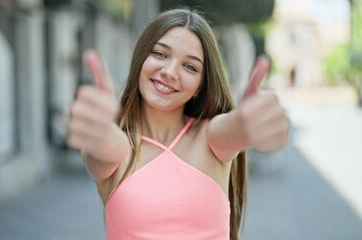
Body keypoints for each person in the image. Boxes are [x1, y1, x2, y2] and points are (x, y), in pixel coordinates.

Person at [67, 8, 289, 240]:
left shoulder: (211, 139)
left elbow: (236, 127)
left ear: (201, 86)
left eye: (190, 67)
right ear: (141, 57)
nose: (170, 72)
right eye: (160, 54)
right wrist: (99, 127)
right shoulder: (118, 148)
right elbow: (105, 146)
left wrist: (248, 121)